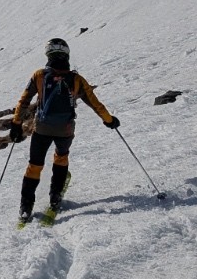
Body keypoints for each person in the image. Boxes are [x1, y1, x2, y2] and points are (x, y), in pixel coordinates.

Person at [9, 38, 118, 223]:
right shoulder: (76, 79)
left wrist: (16, 124)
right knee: (61, 157)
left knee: (35, 165)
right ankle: (55, 197)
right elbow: (95, 103)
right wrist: (109, 120)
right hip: (65, 130)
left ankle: (26, 207)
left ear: (48, 55)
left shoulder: (39, 75)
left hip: (42, 128)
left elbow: (24, 101)